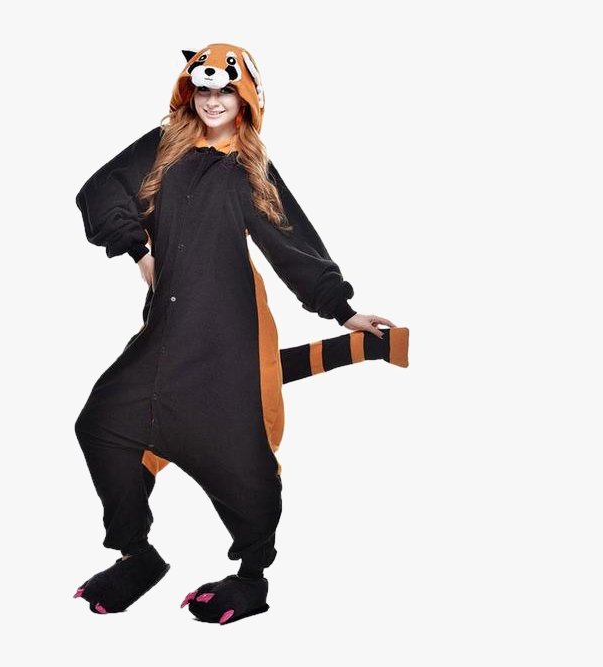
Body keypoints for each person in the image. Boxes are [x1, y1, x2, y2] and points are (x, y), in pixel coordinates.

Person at [71, 43, 405, 625]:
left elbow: (291, 241)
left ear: (245, 97)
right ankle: (136, 555)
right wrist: (138, 251)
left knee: (240, 461)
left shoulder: (250, 170)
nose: (213, 101)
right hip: (164, 335)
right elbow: (98, 191)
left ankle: (251, 576)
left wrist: (342, 310)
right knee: (101, 425)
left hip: (229, 338)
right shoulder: (163, 147)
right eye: (203, 89)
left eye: (225, 90)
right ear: (188, 92)